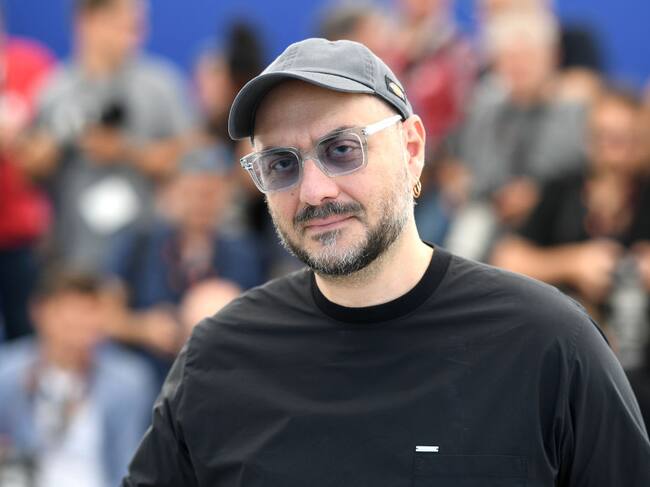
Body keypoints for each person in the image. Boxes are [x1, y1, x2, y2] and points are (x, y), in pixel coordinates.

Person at [122, 38, 650, 486]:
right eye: (281, 164)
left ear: (412, 149)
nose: (314, 191)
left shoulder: (546, 343)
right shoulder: (219, 359)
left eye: (342, 149)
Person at [22, 0, 193, 271]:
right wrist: (51, 149)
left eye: (137, 27)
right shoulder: (54, 90)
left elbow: (189, 160)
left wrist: (125, 151)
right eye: (123, 25)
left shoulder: (161, 85)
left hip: (148, 252)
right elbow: (31, 170)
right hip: (73, 251)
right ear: (88, 22)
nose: (134, 36)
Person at [491, 87, 650, 370]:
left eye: (623, 138)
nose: (612, 150)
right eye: (602, 136)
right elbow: (506, 259)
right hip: (568, 349)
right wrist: (572, 263)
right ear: (588, 139)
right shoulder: (563, 190)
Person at [0, 268, 155, 487]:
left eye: (89, 312)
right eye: (69, 313)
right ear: (40, 311)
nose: (80, 324)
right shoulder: (9, 374)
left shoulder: (129, 381)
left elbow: (130, 463)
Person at [0, 8, 55, 341]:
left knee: (25, 332)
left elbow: (49, 147)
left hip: (21, 235)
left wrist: (21, 143)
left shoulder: (32, 64)